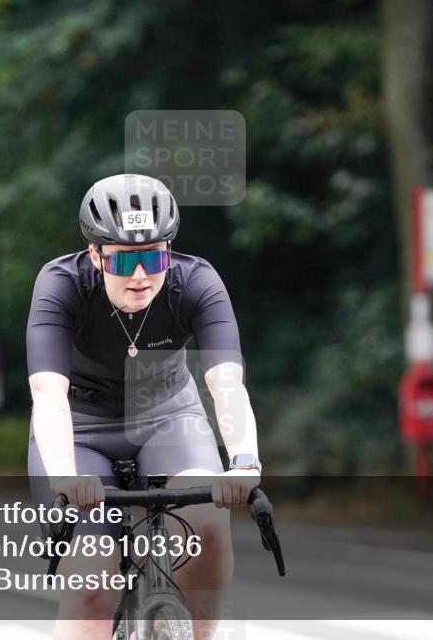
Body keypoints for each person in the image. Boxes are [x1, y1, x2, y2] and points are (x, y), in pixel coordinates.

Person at [26, 174, 262, 640]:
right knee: (91, 582)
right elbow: (48, 393)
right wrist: (65, 476)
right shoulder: (61, 283)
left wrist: (244, 460)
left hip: (168, 417)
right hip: (81, 427)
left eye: (153, 257)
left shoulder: (196, 281)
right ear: (95, 254)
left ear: (169, 250)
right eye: (123, 260)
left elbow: (226, 382)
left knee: (208, 527)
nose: (140, 275)